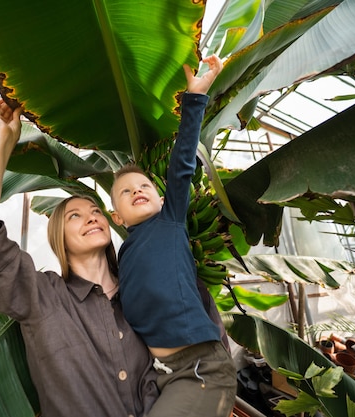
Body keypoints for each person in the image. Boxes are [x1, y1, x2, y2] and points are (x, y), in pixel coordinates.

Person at [0, 98, 158, 417]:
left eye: (95, 211)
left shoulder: (141, 292)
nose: (91, 216)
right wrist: (5, 139)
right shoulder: (41, 296)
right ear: (58, 238)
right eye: (74, 216)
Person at [110, 55, 237, 417]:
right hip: (158, 373)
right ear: (116, 217)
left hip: (201, 368)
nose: (137, 191)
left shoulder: (170, 221)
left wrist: (195, 97)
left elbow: (182, 165)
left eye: (144, 185)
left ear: (163, 197)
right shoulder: (124, 253)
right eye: (125, 191)